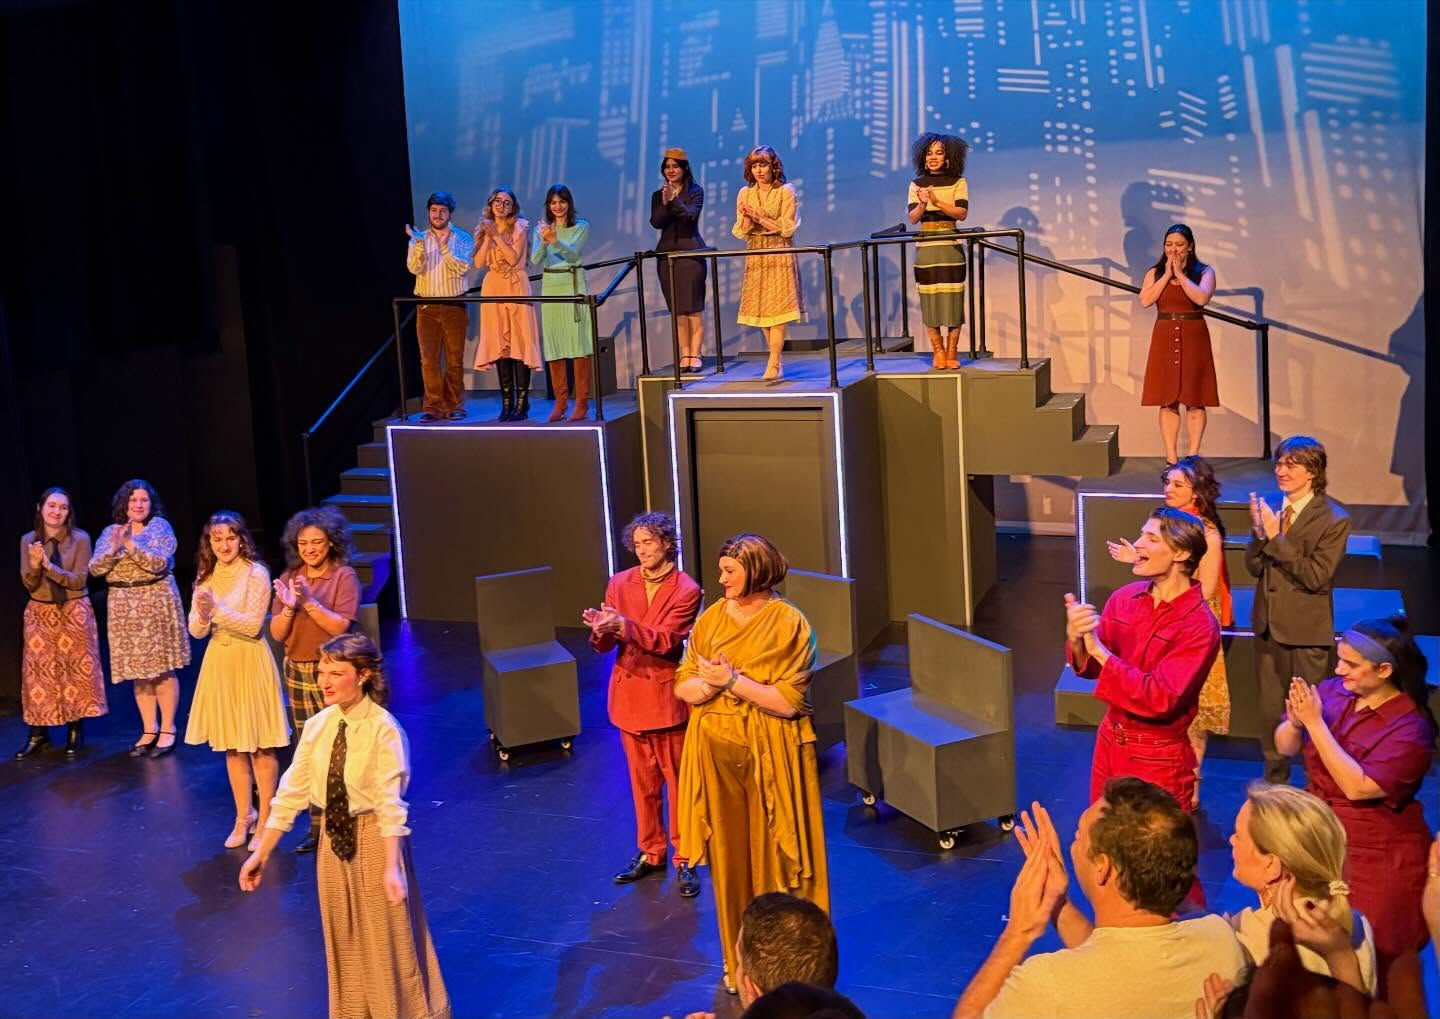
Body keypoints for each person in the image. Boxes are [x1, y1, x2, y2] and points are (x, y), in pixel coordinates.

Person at [240, 634, 450, 1019]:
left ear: (364, 675)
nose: (325, 681)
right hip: (332, 846)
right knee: (345, 941)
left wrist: (391, 866)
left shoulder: (383, 730)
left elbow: (390, 804)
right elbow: (291, 793)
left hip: (374, 841)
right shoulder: (319, 726)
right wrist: (261, 852)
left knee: (387, 942)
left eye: (336, 673)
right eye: (322, 672)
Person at [676, 532, 828, 994]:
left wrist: (730, 680)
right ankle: (736, 965)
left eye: (729, 571)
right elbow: (683, 685)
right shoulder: (711, 620)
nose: (720, 579)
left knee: (777, 866)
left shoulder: (790, 624)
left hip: (772, 759)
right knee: (729, 865)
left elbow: (787, 702)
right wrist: (707, 687)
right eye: (721, 569)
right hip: (714, 755)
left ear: (757, 572)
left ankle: (788, 973)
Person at [951, 782, 1246, 1018]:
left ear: (1103, 867)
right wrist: (1057, 904)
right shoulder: (1220, 939)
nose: (1073, 846)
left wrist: (1019, 931)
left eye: (1080, 837)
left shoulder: (1048, 984)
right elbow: (1118, 967)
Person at [1275, 614, 1434, 978]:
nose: (1338, 668)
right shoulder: (1333, 692)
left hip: (1376, 855)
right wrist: (1296, 723)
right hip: (1321, 837)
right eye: (1339, 658)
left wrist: (1315, 723)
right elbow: (1285, 747)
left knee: (1372, 958)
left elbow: (1358, 787)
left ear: (1383, 671)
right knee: (1312, 955)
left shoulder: (1409, 729)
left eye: (1350, 663)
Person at [1066, 506, 1220, 810]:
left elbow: (1160, 698)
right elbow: (1090, 668)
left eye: (1150, 538)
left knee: (1150, 850)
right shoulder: (1124, 598)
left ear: (1180, 553)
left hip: (1157, 756)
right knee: (1099, 842)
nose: (1137, 544)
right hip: (1110, 740)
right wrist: (1077, 638)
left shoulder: (1199, 625)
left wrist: (1098, 649)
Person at [582, 512, 702, 896]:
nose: (643, 550)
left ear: (668, 543)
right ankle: (651, 852)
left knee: (679, 785)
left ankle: (686, 857)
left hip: (665, 699)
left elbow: (667, 641)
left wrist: (622, 626)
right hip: (629, 699)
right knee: (642, 786)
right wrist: (602, 630)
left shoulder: (686, 589)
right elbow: (607, 643)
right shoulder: (620, 583)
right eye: (637, 544)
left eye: (649, 542)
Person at [1107, 456, 1231, 807]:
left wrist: (1179, 618)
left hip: (1189, 622)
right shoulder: (1165, 526)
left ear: (1197, 490)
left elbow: (1204, 590)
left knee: (1192, 707)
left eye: (1178, 484)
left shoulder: (1204, 532)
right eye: (1167, 483)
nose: (1168, 490)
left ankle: (1190, 784)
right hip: (1163, 617)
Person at [1245, 435, 1350, 785]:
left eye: (1292, 464)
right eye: (1279, 463)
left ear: (1313, 471)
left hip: (1305, 635)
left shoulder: (1334, 518)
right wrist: (1261, 534)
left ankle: (1316, 788)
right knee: (1268, 713)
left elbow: (1316, 576)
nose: (1281, 470)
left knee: (1306, 714)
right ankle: (1275, 786)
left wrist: (1276, 538)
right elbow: (1254, 568)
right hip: (1268, 628)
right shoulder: (1273, 508)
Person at [184, 511, 290, 850]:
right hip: (220, 662)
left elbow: (252, 625)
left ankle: (269, 818)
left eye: (230, 537)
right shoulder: (206, 576)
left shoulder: (256, 573)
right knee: (233, 746)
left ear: (241, 539)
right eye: (217, 538)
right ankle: (244, 815)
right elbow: (196, 631)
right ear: (210, 543)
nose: (224, 544)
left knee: (259, 743)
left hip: (249, 660)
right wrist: (202, 613)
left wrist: (215, 611)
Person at [270, 505, 362, 854]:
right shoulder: (291, 575)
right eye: (303, 543)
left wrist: (308, 602)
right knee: (308, 749)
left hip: (334, 671)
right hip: (297, 670)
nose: (309, 549)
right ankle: (316, 825)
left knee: (340, 747)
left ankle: (348, 820)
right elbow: (278, 633)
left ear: (331, 543)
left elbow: (340, 627)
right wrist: (291, 605)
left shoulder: (343, 577)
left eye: (317, 542)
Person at [1226, 782, 1377, 993]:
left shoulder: (1245, 937)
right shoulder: (1358, 923)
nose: (1231, 840)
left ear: (1271, 866)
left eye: (1239, 835)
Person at [90, 479, 190, 758]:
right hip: (123, 607)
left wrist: (130, 546)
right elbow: (96, 569)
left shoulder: (160, 527)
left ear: (151, 503)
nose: (138, 505)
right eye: (133, 500)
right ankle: (149, 729)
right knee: (138, 673)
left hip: (155, 602)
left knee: (160, 669)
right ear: (124, 504)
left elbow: (158, 563)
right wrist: (113, 548)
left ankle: (168, 729)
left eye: (143, 500)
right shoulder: (111, 531)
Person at [15, 487, 108, 758]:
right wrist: (35, 566)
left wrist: (49, 567)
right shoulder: (28, 540)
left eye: (63, 507)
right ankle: (37, 734)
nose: (57, 512)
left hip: (73, 609)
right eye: (52, 506)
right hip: (40, 611)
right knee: (38, 674)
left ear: (69, 512)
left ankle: (75, 730)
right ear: (40, 508)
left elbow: (79, 580)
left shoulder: (80, 539)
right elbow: (29, 583)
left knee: (74, 671)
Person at [1137, 223, 1218, 463]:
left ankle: (1193, 456)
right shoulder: (1155, 272)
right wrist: (1168, 276)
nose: (1174, 250)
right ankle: (1171, 458)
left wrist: (1181, 276)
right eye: (1169, 245)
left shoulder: (1204, 271)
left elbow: (1201, 297)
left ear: (1190, 247)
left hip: (1194, 336)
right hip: (1164, 334)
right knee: (1167, 399)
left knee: (1195, 399)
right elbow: (1145, 300)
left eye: (1180, 245)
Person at [731, 146, 804, 384]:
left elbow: (786, 226)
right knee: (761, 309)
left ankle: (774, 359)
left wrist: (759, 218)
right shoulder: (745, 193)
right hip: (756, 252)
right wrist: (745, 218)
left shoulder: (785, 190)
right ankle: (775, 359)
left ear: (774, 166)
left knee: (778, 308)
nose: (759, 170)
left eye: (763, 165)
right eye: (754, 166)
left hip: (779, 250)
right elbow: (740, 231)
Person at [472, 185, 541, 421]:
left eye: (507, 202)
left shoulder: (520, 226)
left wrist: (495, 235)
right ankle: (507, 401)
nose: (502, 206)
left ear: (513, 207)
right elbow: (480, 262)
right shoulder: (483, 228)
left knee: (519, 342)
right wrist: (486, 235)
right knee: (501, 344)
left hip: (516, 284)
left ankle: (522, 402)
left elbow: (513, 259)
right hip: (493, 286)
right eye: (497, 202)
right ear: (490, 204)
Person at [405, 190, 475, 421]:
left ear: (450, 213)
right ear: (428, 212)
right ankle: (433, 406)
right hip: (426, 307)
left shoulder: (463, 238)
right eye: (434, 210)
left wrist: (444, 248)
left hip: (454, 305)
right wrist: (420, 248)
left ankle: (454, 404)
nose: (437, 214)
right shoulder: (418, 238)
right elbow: (414, 269)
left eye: (442, 210)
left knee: (454, 359)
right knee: (428, 360)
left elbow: (463, 268)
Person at [531, 184, 594, 421]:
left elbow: (573, 254)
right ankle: (560, 402)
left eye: (562, 202)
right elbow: (535, 259)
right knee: (555, 345)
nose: (558, 207)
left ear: (569, 203)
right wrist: (545, 240)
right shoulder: (541, 230)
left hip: (573, 284)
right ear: (548, 205)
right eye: (553, 203)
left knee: (578, 345)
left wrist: (555, 240)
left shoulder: (581, 226)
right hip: (551, 287)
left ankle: (581, 402)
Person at [906, 133, 970, 370]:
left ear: (948, 157)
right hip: (926, 247)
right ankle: (938, 350)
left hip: (950, 246)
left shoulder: (958, 182)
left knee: (953, 299)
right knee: (929, 299)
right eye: (929, 153)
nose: (933, 157)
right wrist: (923, 203)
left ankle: (953, 350)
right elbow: (913, 218)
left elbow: (961, 214)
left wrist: (936, 200)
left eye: (939, 152)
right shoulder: (916, 184)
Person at [650, 148, 708, 373]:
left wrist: (674, 201)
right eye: (667, 166)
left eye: (675, 166)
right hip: (667, 255)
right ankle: (684, 353)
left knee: (693, 307)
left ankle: (696, 353)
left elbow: (689, 218)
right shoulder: (658, 195)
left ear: (684, 168)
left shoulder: (696, 191)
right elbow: (656, 222)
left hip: (690, 254)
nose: (670, 170)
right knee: (678, 309)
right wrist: (665, 202)